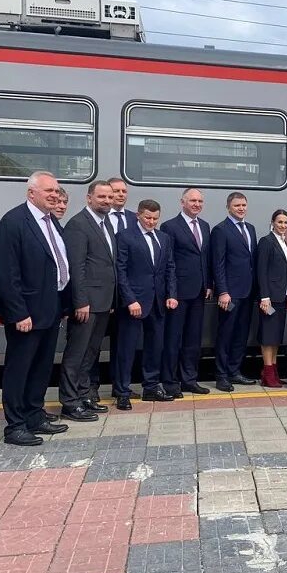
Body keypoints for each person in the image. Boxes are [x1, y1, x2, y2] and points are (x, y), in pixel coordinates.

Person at [0, 171, 70, 446]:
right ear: (31, 193)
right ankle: (15, 425)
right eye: (48, 191)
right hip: (26, 313)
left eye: (56, 190)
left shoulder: (52, 222)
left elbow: (57, 265)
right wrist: (18, 312)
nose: (54, 195)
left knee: (41, 367)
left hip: (50, 309)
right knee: (20, 368)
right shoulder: (14, 222)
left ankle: (35, 414)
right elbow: (6, 273)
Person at [58, 181, 115, 422]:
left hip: (103, 302)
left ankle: (83, 397)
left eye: (109, 197)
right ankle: (69, 403)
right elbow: (76, 267)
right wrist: (80, 301)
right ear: (89, 198)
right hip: (87, 304)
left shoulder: (105, 224)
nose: (106, 201)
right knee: (76, 354)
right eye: (101, 196)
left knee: (90, 353)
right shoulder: (79, 225)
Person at [114, 199, 178, 410]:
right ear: (138, 216)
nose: (151, 222)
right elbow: (120, 271)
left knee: (155, 346)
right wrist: (130, 299)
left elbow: (170, 268)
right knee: (127, 348)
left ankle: (151, 387)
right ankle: (122, 391)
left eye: (155, 218)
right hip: (134, 303)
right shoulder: (125, 237)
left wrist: (171, 294)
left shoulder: (164, 238)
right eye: (148, 218)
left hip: (158, 302)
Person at [159, 188, 212, 397]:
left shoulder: (205, 226)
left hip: (199, 292)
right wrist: (170, 292)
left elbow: (205, 258)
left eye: (200, 201)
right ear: (182, 202)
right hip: (178, 293)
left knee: (193, 339)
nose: (197, 204)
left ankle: (189, 380)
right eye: (192, 201)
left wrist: (208, 284)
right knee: (173, 339)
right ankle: (170, 382)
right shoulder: (170, 227)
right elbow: (167, 262)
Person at [210, 192, 259, 392]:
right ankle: (221, 376)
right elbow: (218, 263)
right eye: (237, 205)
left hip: (247, 292)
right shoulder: (220, 230)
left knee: (241, 334)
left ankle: (235, 371)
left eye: (244, 205)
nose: (241, 208)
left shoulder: (250, 228)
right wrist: (222, 291)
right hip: (230, 294)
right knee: (226, 334)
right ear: (229, 207)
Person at [106, 177, 140, 398]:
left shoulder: (133, 218)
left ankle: (122, 388)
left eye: (123, 191)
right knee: (94, 343)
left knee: (125, 343)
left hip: (128, 292)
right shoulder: (100, 219)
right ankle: (89, 389)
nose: (120, 195)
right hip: (106, 292)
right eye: (115, 191)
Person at [255, 208, 287, 388]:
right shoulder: (266, 242)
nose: (283, 225)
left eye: (286, 222)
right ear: (272, 223)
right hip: (269, 299)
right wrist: (264, 297)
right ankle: (268, 372)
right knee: (268, 335)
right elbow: (261, 271)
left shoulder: (284, 242)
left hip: (281, 297)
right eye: (280, 222)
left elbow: (286, 272)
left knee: (276, 336)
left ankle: (273, 371)